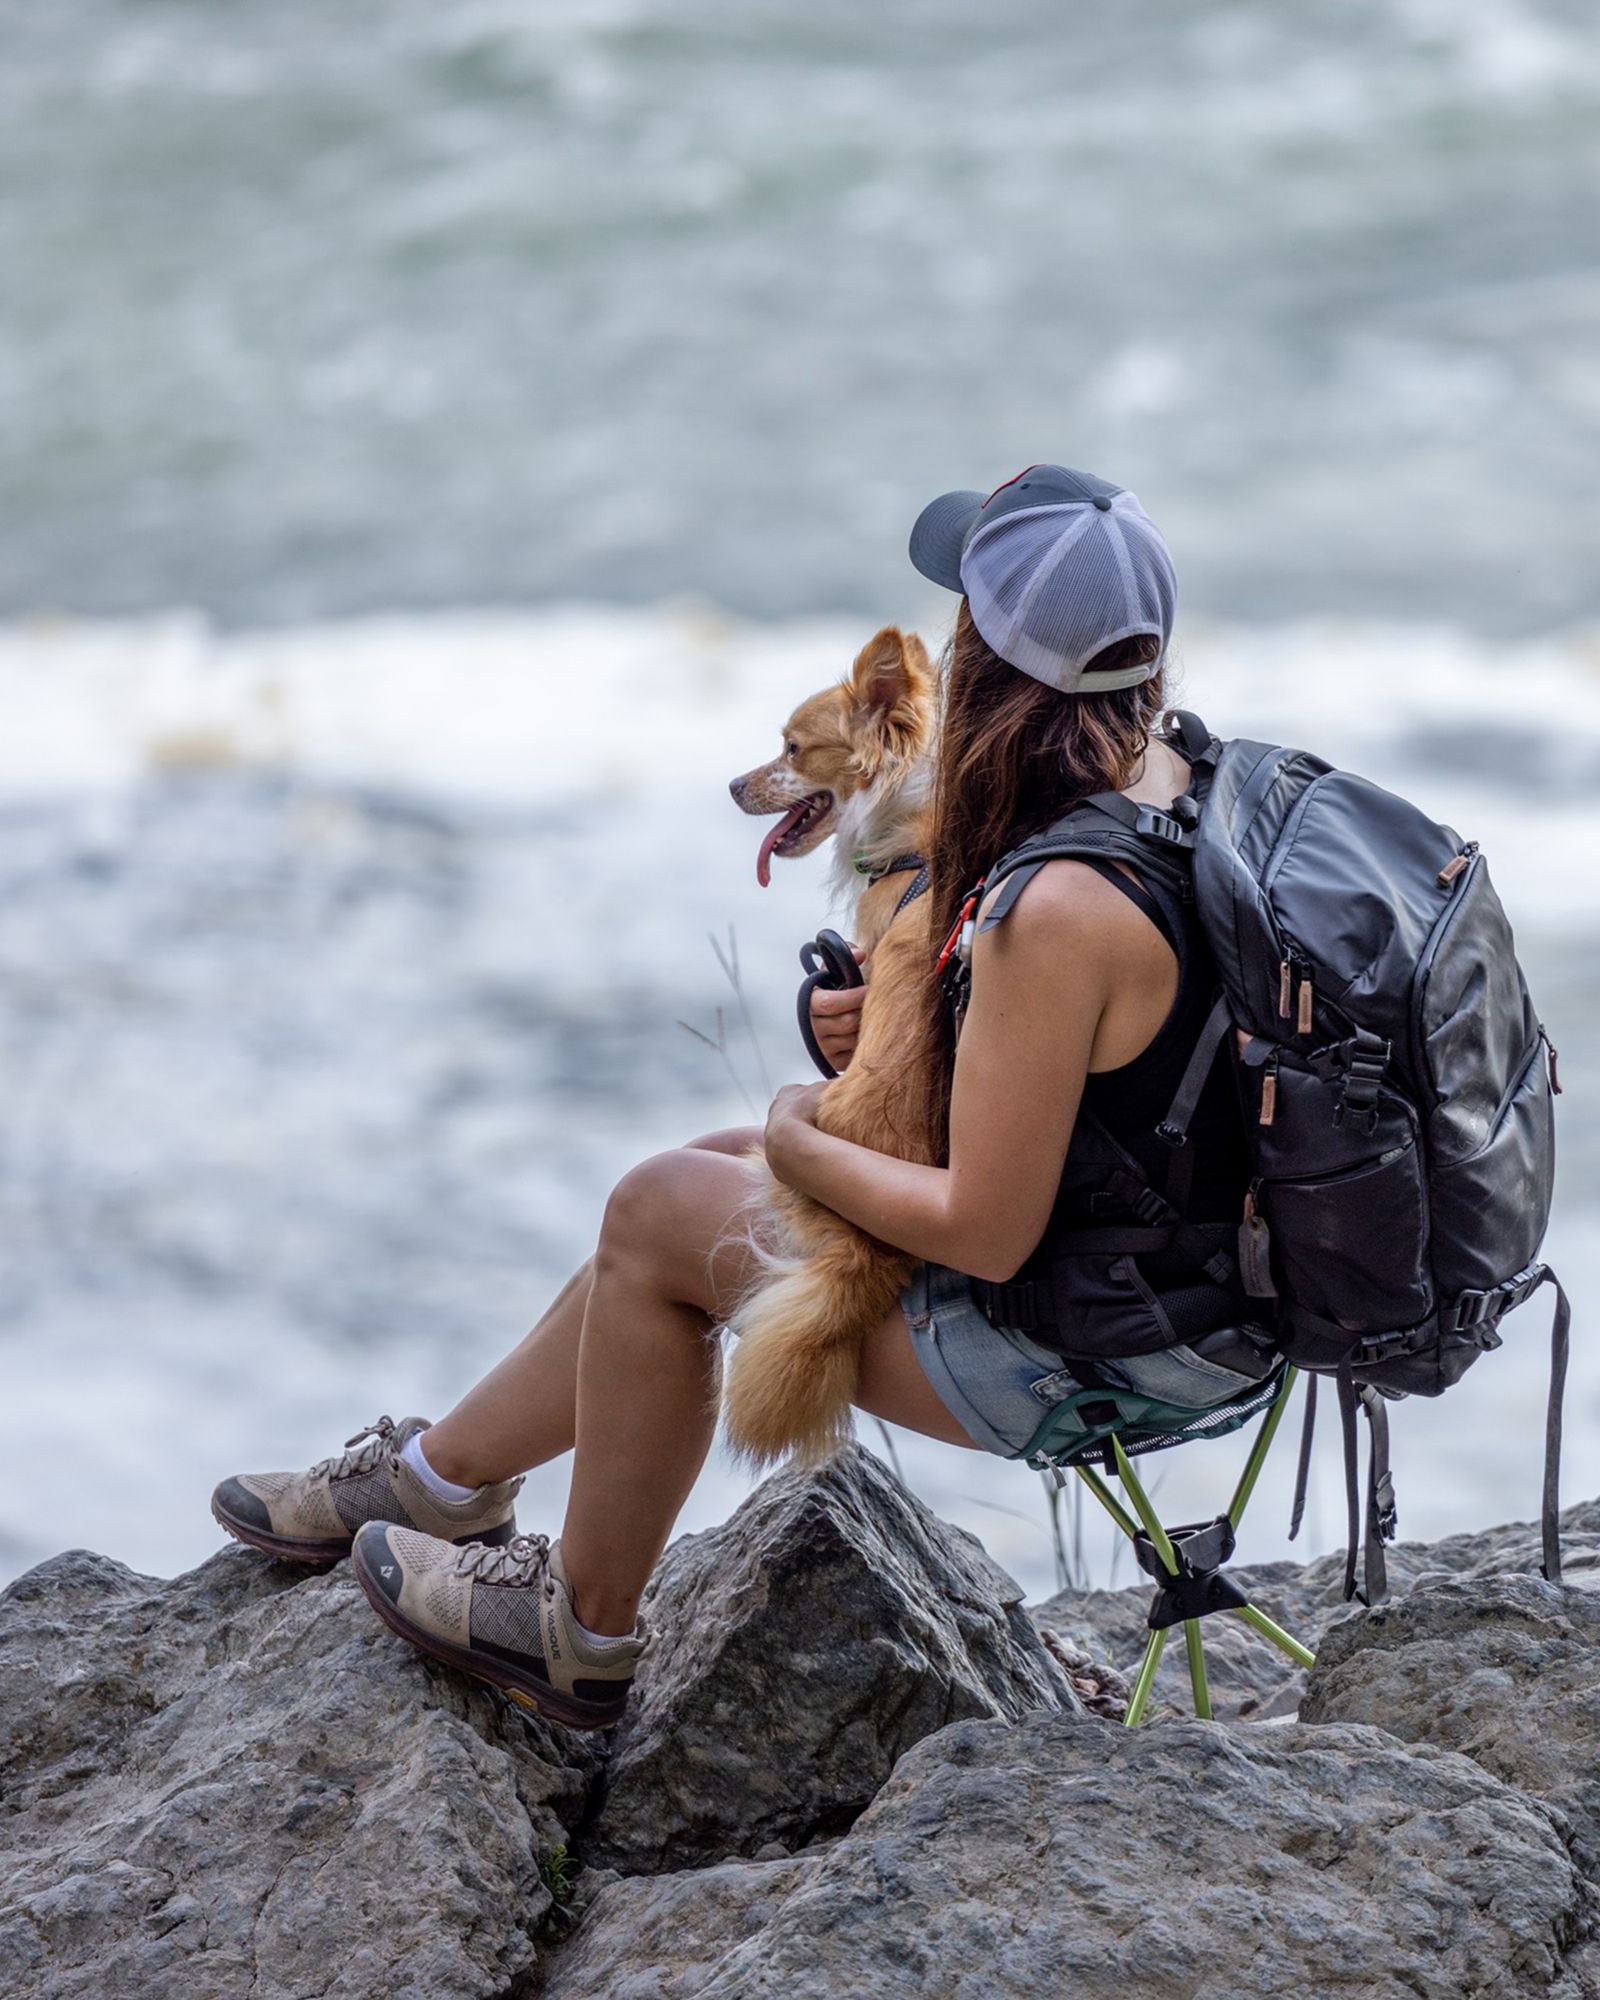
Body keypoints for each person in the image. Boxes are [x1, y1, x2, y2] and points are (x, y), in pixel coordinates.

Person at [211, 466, 1262, 1731]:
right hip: (1203, 1288)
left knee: (664, 1202)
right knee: (709, 1165)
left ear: (997, 656)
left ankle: (575, 1627)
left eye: (964, 615)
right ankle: (442, 1478)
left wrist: (793, 1127)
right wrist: (885, 1033)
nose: (948, 635)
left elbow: (983, 1226)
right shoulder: (1170, 777)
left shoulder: (1060, 905)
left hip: (1101, 1345)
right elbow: (1122, 1074)